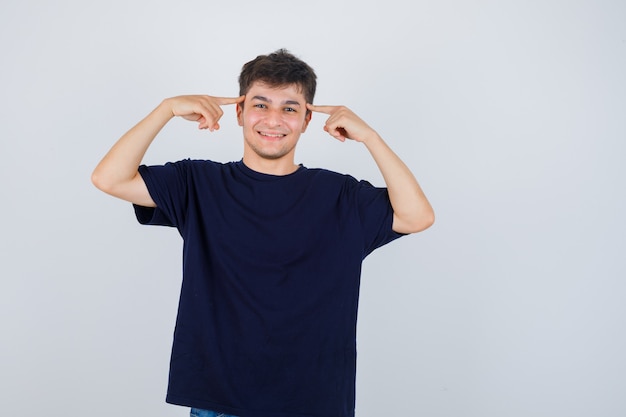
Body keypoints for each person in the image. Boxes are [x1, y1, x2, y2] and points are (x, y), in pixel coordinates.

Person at [92, 49, 434, 417]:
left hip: (314, 401)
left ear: (306, 119)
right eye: (260, 105)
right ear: (239, 113)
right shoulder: (198, 183)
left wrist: (371, 138)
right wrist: (166, 109)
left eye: (289, 108)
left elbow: (417, 217)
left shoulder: (342, 196)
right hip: (221, 401)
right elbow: (109, 178)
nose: (274, 119)